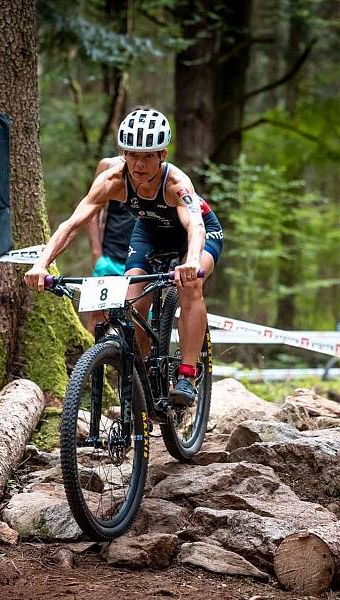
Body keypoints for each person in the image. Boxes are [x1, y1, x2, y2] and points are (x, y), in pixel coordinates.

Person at [24, 108, 223, 405]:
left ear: (162, 155)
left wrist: (191, 260)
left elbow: (194, 225)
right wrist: (41, 264)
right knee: (132, 297)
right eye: (132, 155)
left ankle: (187, 374)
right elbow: (72, 224)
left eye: (147, 156)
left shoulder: (176, 184)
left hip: (196, 236)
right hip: (149, 232)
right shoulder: (113, 179)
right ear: (123, 154)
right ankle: (141, 379)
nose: (139, 164)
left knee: (189, 286)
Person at [86, 155, 136, 334]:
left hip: (141, 260)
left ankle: (133, 362)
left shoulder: (158, 170)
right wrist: (96, 253)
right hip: (110, 256)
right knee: (98, 317)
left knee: (140, 321)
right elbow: (92, 209)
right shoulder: (108, 165)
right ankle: (92, 361)